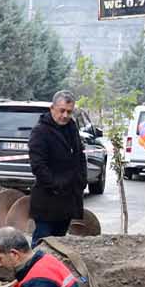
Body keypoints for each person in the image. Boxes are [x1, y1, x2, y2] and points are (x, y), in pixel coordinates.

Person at [27, 90, 87, 246]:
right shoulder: (40, 132)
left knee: (59, 245)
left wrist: (81, 181)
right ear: (52, 108)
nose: (65, 115)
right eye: (62, 111)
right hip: (47, 200)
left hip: (68, 201)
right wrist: (56, 185)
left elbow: (80, 156)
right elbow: (38, 166)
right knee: (42, 244)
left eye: (69, 111)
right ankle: (34, 270)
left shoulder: (71, 128)